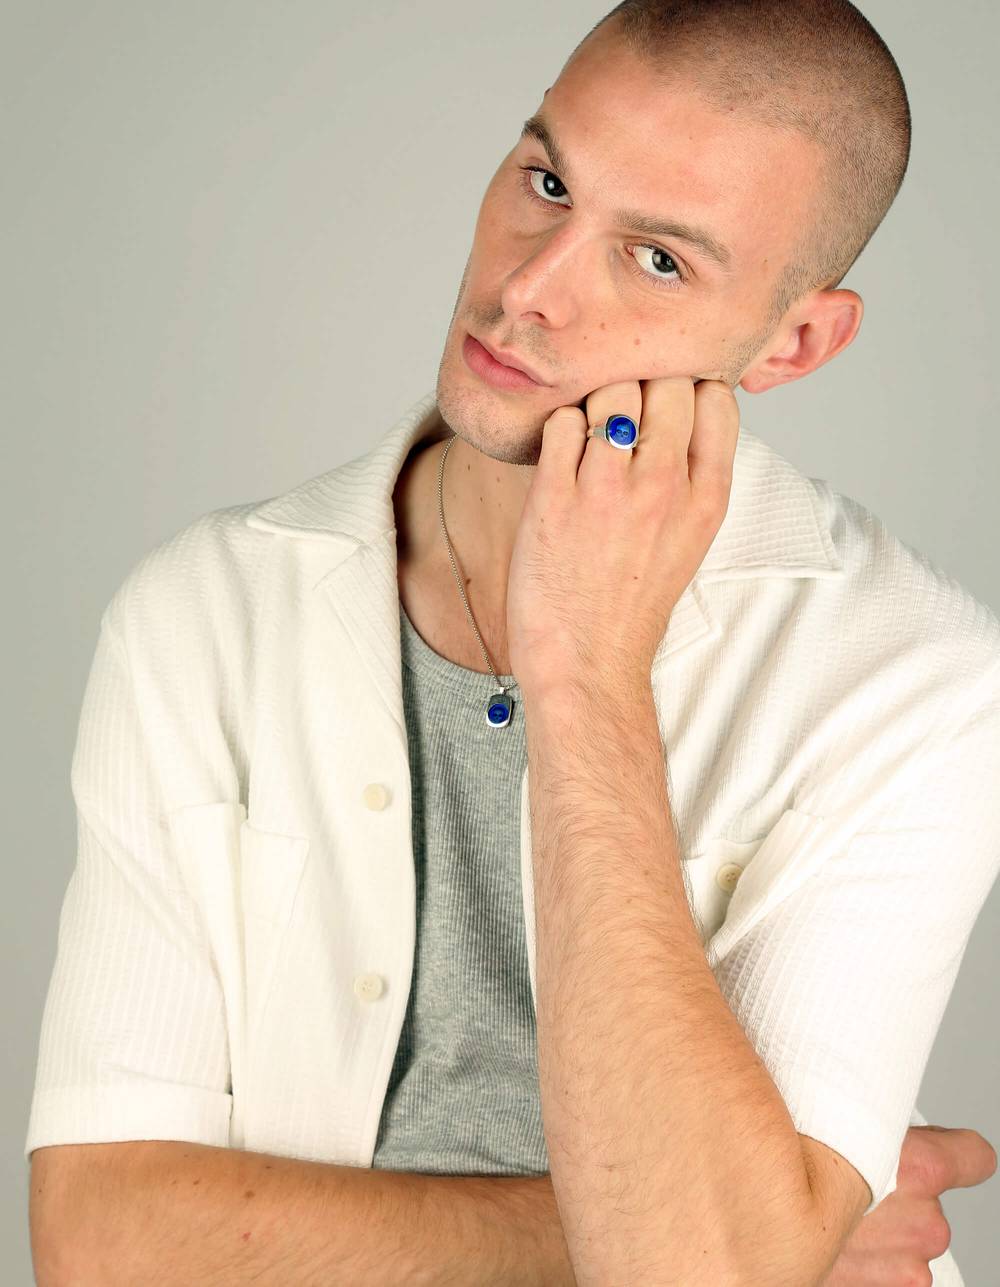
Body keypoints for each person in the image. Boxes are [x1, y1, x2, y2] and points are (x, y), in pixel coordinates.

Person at [26, 1, 999, 1283]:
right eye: (546, 182)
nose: (527, 289)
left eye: (657, 261)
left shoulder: (912, 676)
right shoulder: (200, 611)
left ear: (795, 340)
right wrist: (770, 1237)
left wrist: (585, 671)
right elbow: (98, 1242)